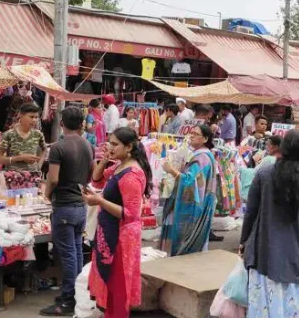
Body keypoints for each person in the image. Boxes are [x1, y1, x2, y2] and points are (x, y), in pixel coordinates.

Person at [239, 130, 299, 318]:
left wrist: (244, 241)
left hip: (264, 252)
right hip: (296, 255)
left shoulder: (264, 173)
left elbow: (250, 212)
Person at [84, 127, 151, 318]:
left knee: (118, 287)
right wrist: (105, 158)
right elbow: (96, 180)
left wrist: (100, 201)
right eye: (109, 143)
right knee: (111, 286)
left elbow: (131, 214)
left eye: (115, 144)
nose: (110, 147)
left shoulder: (131, 174)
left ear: (129, 147)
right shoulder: (120, 166)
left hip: (121, 238)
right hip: (110, 231)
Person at [40, 107, 93, 316]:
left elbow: (52, 178)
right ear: (81, 124)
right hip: (80, 206)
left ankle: (68, 300)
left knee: (69, 255)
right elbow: (91, 173)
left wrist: (47, 193)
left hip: (64, 206)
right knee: (77, 252)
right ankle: (77, 294)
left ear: (62, 123)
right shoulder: (88, 145)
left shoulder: (59, 147)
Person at [159, 124, 218, 255]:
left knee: (184, 241)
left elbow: (190, 181)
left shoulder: (201, 158)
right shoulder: (203, 156)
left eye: (196, 134)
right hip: (201, 204)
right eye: (191, 133)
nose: (191, 136)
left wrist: (171, 170)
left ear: (205, 139)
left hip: (192, 208)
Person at [0, 103, 46, 173]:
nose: (34, 120)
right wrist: (20, 158)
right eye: (31, 117)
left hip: (32, 177)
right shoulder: (9, 135)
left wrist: (38, 166)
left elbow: (44, 149)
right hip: (13, 177)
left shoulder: (38, 134)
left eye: (36, 117)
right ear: (21, 116)